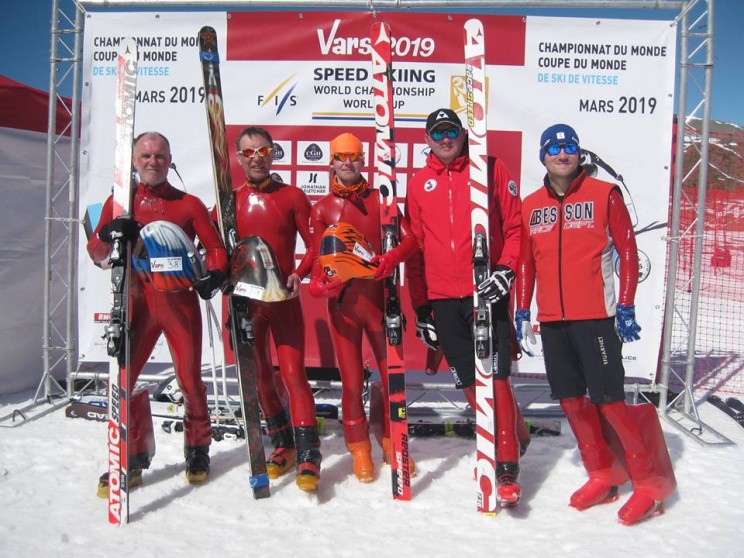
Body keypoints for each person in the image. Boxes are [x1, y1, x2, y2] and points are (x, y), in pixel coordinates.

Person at [515, 123, 676, 525]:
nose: (562, 153)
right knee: (571, 401)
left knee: (610, 403)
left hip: (596, 319)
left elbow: (628, 250)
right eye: (554, 148)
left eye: (569, 146)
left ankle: (650, 483)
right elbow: (525, 262)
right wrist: (522, 310)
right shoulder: (531, 204)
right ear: (543, 156)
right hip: (553, 321)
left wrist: (626, 305)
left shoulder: (605, 194)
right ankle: (604, 473)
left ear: (579, 152)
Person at [88, 131, 229, 494]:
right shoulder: (121, 202)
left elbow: (215, 248)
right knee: (124, 379)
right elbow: (96, 253)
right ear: (134, 161)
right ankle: (132, 455)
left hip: (180, 304)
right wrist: (108, 231)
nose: (153, 162)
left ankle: (197, 449)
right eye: (146, 156)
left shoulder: (189, 204)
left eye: (160, 156)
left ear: (170, 160)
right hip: (138, 303)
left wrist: (214, 275)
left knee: (189, 380)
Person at [405, 108, 528, 506]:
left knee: (497, 379)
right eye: (437, 132)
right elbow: (416, 251)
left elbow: (515, 227)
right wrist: (421, 308)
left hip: (485, 291)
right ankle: (512, 435)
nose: (445, 139)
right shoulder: (418, 183)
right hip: (443, 298)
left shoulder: (490, 168)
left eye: (451, 131)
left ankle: (504, 464)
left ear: (462, 134)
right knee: (470, 384)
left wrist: (505, 270)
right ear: (427, 139)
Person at [308, 133, 418, 482]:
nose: (347, 163)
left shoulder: (381, 199)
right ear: (331, 162)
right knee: (352, 383)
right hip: (344, 308)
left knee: (391, 377)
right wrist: (319, 286)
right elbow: (317, 262)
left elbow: (412, 240)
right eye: (341, 157)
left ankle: (392, 440)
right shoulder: (322, 209)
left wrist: (391, 257)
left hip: (379, 303)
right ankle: (358, 448)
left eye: (353, 156)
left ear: (363, 160)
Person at [228, 126, 321, 492]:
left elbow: (315, 244)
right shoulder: (230, 201)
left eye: (263, 151)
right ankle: (283, 442)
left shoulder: (292, 196)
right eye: (249, 152)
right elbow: (216, 248)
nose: (257, 159)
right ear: (239, 158)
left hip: (283, 300)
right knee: (260, 376)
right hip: (247, 303)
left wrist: (300, 273)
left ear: (273, 153)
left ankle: (309, 451)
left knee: (293, 374)